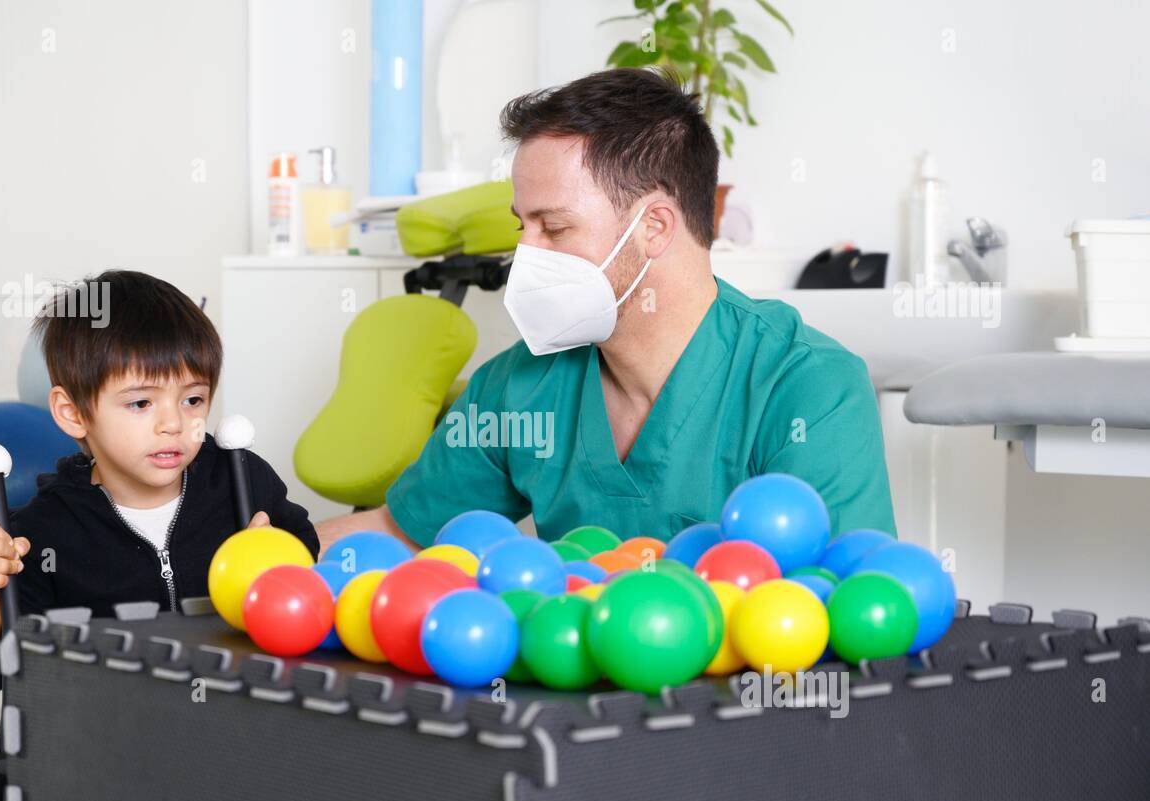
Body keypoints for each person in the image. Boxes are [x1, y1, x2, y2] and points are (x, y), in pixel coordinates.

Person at [316, 67, 895, 553]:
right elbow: (402, 534)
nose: (524, 256)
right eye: (523, 227)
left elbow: (839, 605)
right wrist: (260, 546)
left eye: (555, 227)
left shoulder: (808, 388)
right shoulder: (517, 386)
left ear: (654, 227)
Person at [0, 270, 318, 693]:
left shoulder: (241, 481)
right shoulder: (40, 533)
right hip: (108, 745)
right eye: (141, 403)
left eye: (192, 399)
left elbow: (304, 555)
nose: (174, 423)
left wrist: (280, 562)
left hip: (225, 736)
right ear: (73, 413)